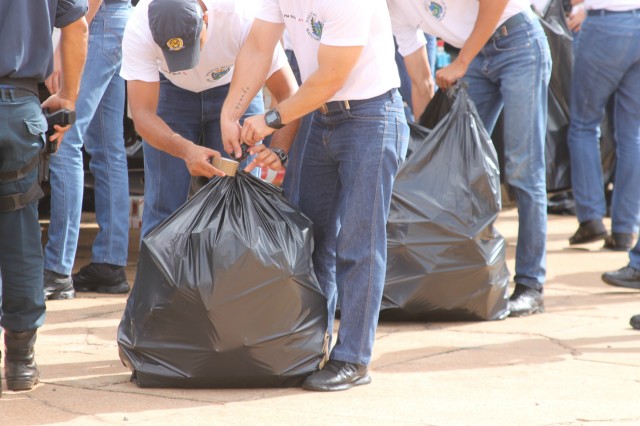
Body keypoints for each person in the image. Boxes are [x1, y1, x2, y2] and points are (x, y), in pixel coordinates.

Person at [221, 0, 409, 391]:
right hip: (321, 115)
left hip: (371, 117)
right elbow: (258, 47)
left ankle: (353, 359)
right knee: (311, 238)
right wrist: (230, 112)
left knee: (359, 244)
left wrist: (270, 119)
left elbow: (330, 77)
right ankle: (307, 349)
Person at [388, 0, 552, 317]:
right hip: (473, 56)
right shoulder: (394, 9)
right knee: (455, 165)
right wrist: (431, 152)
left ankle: (531, 285)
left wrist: (462, 61)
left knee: (524, 170)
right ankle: (461, 276)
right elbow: (421, 82)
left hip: (517, 41)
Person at [120, 0, 299, 239]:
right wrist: (184, 150)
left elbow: (289, 95)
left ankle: (235, 276)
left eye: (192, 46)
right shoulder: (139, 26)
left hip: (235, 85)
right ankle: (159, 277)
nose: (189, 63)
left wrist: (278, 149)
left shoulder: (241, 15)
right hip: (171, 91)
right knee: (163, 205)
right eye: (174, 54)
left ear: (205, 19)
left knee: (238, 207)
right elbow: (142, 116)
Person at [0, 0, 88, 396]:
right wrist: (68, 97)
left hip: (21, 103)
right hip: (19, 107)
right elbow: (77, 27)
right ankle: (20, 360)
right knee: (19, 234)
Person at [44, 0, 133, 300]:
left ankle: (57, 269)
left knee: (65, 139)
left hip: (96, 22)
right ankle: (109, 264)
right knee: (108, 149)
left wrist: (62, 49)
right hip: (115, 20)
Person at [566, 0, 640, 252]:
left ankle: (591, 218)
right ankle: (625, 229)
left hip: (605, 23)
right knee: (632, 135)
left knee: (583, 126)